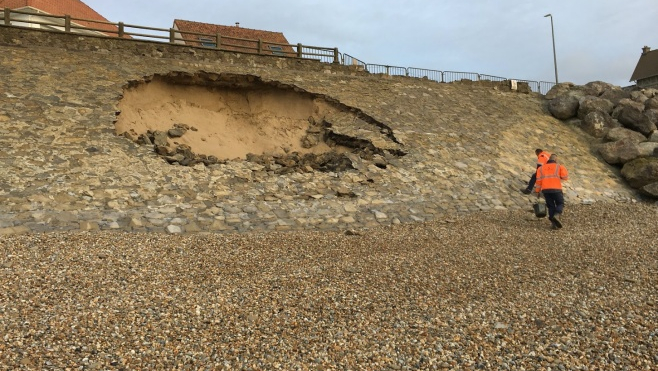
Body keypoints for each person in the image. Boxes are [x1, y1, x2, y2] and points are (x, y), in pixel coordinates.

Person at [535, 154, 569, 229]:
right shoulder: (559, 166)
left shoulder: (541, 168)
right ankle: (557, 215)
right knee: (560, 203)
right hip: (556, 188)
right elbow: (565, 177)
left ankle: (553, 224)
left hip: (545, 190)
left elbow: (538, 181)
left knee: (550, 206)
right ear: (556, 160)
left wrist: (537, 191)